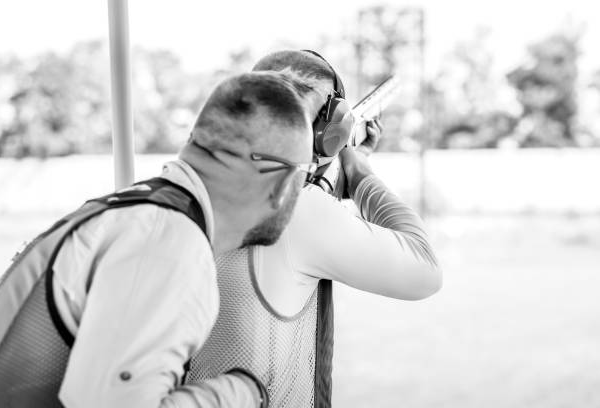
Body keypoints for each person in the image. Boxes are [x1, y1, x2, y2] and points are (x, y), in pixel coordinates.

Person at [0, 71, 316, 408]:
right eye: (305, 174)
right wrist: (241, 392)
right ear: (282, 184)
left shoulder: (141, 212)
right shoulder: (168, 243)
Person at [185, 50, 442, 407]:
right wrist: (359, 170)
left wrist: (326, 177)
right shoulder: (299, 210)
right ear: (329, 130)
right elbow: (425, 271)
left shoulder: (192, 186)